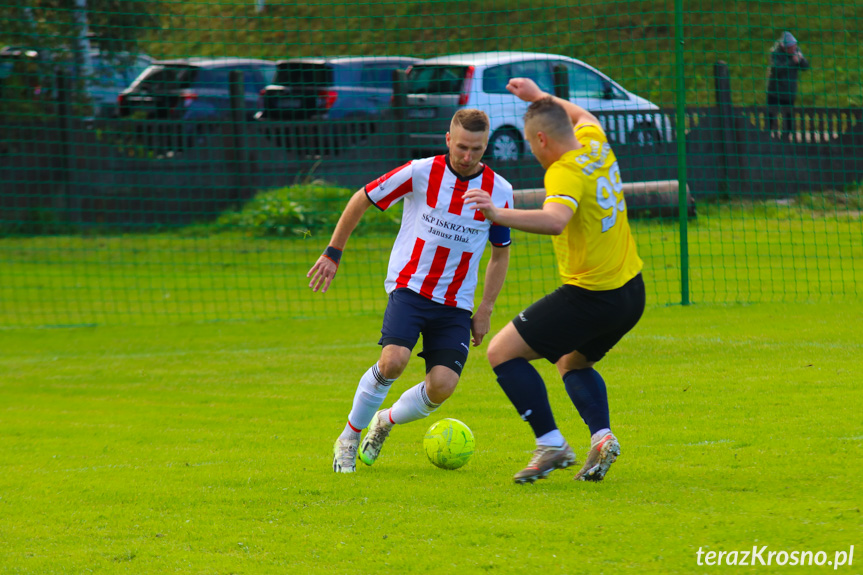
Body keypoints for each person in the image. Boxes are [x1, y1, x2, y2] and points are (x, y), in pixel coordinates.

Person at [307, 109, 514, 473]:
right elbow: (362, 197)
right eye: (461, 147)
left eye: (477, 150)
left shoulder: (500, 191)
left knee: (442, 386)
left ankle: (384, 421)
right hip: (411, 287)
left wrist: (486, 308)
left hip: (455, 303)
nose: (467, 157)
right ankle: (348, 438)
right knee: (394, 361)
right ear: (448, 139)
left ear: (486, 147)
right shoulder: (420, 172)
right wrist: (333, 252)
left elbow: (501, 253)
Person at [464, 78, 645, 484]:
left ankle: (550, 444)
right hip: (632, 290)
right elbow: (583, 115)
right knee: (572, 361)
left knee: (501, 353)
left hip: (592, 294)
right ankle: (601, 437)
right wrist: (540, 98)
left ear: (542, 139)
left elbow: (555, 220)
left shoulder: (563, 171)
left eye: (530, 144)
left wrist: (497, 214)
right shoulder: (595, 145)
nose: (531, 151)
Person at [767, 31, 810, 133]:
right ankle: (768, 135)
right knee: (771, 116)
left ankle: (788, 136)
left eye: (794, 46)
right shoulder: (776, 53)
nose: (793, 49)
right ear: (784, 47)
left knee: (789, 117)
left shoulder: (796, 51)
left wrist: (801, 59)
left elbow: (805, 67)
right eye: (791, 47)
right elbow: (776, 70)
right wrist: (792, 62)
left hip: (789, 93)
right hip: (775, 92)